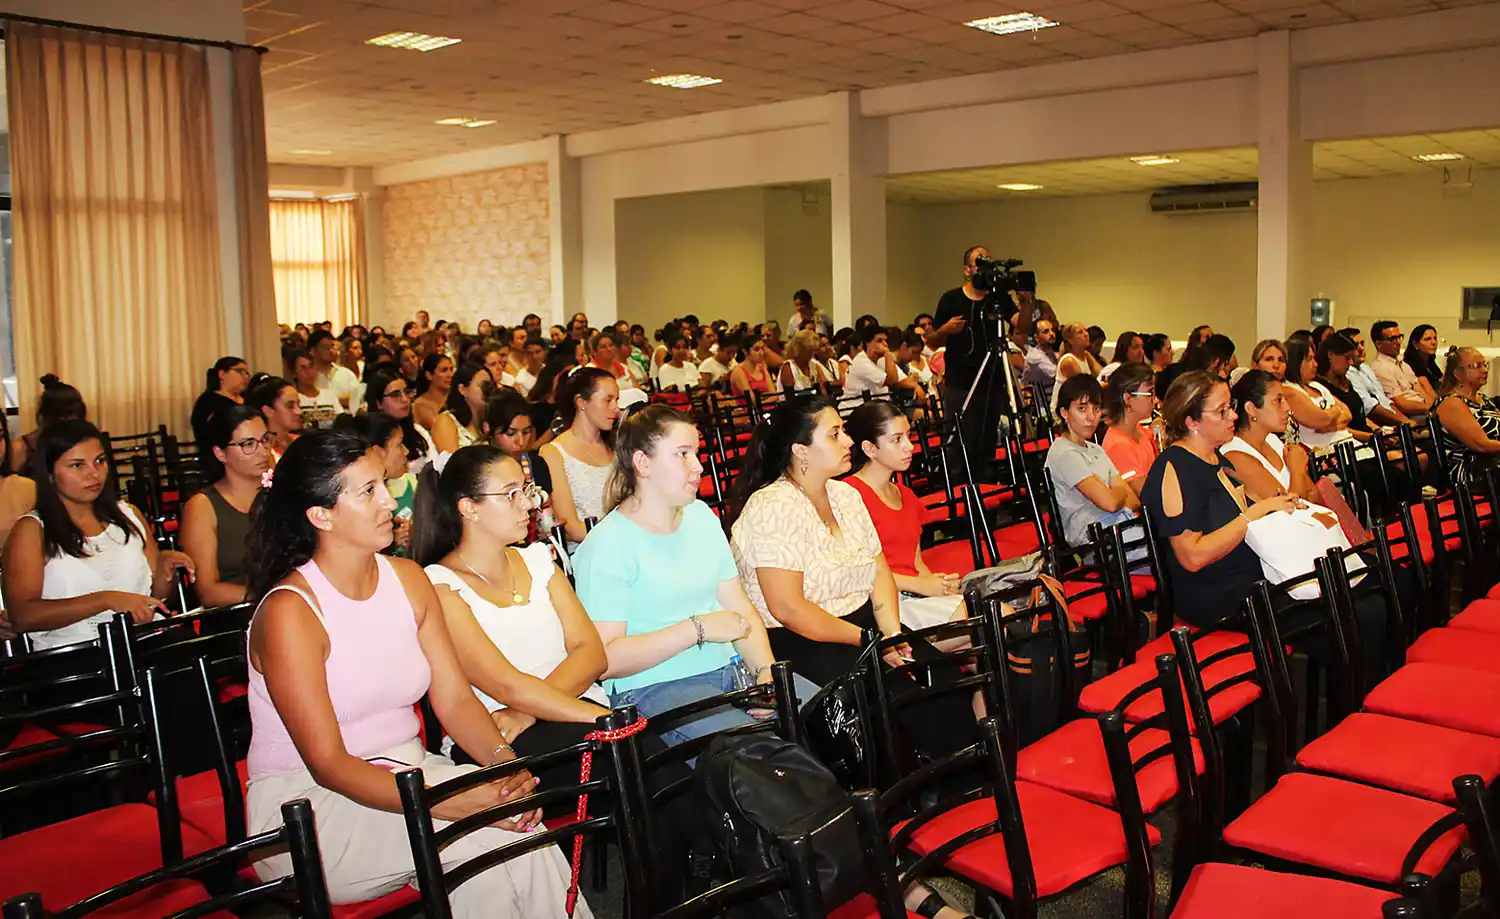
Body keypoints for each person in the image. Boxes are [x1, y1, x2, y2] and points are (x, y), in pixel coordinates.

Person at [242, 430, 584, 918]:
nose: (389, 501)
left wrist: (505, 770)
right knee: (483, 837)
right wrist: (447, 803)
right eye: (368, 492)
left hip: (411, 772)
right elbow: (328, 763)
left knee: (518, 827)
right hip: (311, 810)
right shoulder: (290, 614)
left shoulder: (408, 579)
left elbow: (456, 701)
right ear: (321, 517)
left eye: (383, 483)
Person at [724, 394, 978, 817]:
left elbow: (877, 571)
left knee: (934, 674)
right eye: (835, 433)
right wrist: (870, 641)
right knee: (875, 702)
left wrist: (893, 632)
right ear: (801, 451)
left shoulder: (845, 496)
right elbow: (788, 607)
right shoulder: (771, 507)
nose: (847, 441)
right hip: (801, 641)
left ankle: (954, 798)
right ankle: (894, 817)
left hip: (862, 627)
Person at [574, 405, 815, 741]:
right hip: (654, 686)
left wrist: (764, 674)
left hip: (731, 671)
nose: (698, 466)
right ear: (643, 463)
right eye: (682, 454)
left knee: (830, 713)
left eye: (696, 453)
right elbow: (605, 659)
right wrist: (696, 629)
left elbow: (740, 609)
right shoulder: (606, 545)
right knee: (753, 751)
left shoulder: (700, 516)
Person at [2, 421, 194, 650]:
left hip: (143, 641)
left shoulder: (128, 515)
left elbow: (156, 598)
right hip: (74, 656)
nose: (94, 474)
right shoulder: (33, 530)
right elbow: (23, 616)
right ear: (50, 473)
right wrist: (105, 600)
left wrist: (165, 572)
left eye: (100, 461)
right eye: (77, 465)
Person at [1139, 372, 1300, 628]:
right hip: (1218, 597)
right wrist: (1253, 515)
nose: (1233, 416)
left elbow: (1252, 509)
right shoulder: (1173, 468)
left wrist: (1280, 507)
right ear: (1192, 421)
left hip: (1251, 580)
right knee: (1347, 610)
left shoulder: (1218, 459)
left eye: (1230, 408)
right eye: (1221, 411)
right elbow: (1192, 557)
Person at [846, 401, 970, 630]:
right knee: (990, 617)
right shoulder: (849, 495)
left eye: (908, 436)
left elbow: (916, 562)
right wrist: (922, 586)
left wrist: (937, 586)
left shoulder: (905, 494)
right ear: (870, 449)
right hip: (881, 605)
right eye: (896, 440)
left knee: (984, 613)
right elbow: (859, 572)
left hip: (912, 596)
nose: (909, 446)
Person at [927, 246, 1015, 484]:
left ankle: (984, 494)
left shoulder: (997, 298)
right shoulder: (951, 298)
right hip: (961, 383)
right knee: (960, 441)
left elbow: (1021, 326)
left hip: (992, 382)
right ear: (967, 270)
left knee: (987, 441)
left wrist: (1026, 302)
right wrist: (945, 330)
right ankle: (959, 493)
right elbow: (932, 341)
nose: (984, 269)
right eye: (979, 263)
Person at [180, 405, 269, 606]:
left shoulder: (280, 493)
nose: (262, 451)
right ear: (220, 453)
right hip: (235, 614)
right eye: (248, 444)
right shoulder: (203, 506)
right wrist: (274, 597)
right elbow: (208, 591)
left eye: (265, 439)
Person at [1045, 375, 1139, 548]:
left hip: (1117, 526)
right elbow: (1110, 504)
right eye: (1081, 409)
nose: (1091, 417)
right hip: (1092, 539)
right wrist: (1116, 491)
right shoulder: (1064, 452)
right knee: (1169, 552)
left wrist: (1113, 493)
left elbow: (1133, 499)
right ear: (1064, 412)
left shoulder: (1096, 449)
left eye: (1096, 409)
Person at [540, 368, 618, 549]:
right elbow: (571, 528)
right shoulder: (554, 453)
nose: (615, 408)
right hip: (586, 550)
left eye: (616, 400)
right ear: (581, 402)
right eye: (608, 400)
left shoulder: (615, 445)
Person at [1223, 370, 1318, 503]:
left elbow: (1314, 495)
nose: (1287, 407)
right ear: (1251, 408)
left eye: (1285, 400)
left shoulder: (1272, 439)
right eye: (1278, 401)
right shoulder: (1234, 456)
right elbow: (1290, 509)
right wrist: (1297, 469)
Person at [1431, 347, 1500, 487]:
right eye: (1476, 366)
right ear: (1458, 374)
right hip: (1472, 470)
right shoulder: (1452, 403)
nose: (1485, 370)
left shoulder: (1483, 400)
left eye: (1484, 364)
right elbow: (1482, 445)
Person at [1282, 337, 1354, 450]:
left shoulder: (1316, 385)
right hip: (1326, 452)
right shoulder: (1289, 389)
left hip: (1346, 442)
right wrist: (1335, 410)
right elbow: (1320, 421)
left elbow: (1348, 414)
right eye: (1309, 359)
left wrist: (1331, 422)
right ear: (1296, 362)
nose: (1315, 364)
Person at [1100, 362, 1159, 495]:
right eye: (1150, 393)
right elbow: (1146, 495)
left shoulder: (1142, 432)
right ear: (1127, 399)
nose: (1155, 400)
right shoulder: (1118, 446)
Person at [12, 376, 87, 477]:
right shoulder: (22, 448)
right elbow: (8, 486)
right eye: (61, 420)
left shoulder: (86, 443)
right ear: (43, 417)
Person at [363, 367, 433, 472]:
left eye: (407, 392)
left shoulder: (419, 431)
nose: (405, 399)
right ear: (378, 403)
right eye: (395, 394)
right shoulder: (367, 440)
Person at [1341, 327, 1410, 427]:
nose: (1361, 348)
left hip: (1394, 419)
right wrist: (1405, 423)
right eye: (1355, 345)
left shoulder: (1365, 368)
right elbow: (1371, 408)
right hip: (1379, 424)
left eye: (1362, 343)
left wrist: (1405, 421)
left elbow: (1385, 401)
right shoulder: (1348, 373)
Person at [1369, 321, 1434, 415]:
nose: (1398, 342)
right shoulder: (1380, 368)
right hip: (1412, 415)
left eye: (1399, 337)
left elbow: (1420, 390)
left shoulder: (1403, 365)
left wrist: (1436, 407)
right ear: (1379, 344)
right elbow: (1402, 405)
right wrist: (1432, 408)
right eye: (1393, 339)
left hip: (1425, 410)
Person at [191, 356, 251, 448]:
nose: (245, 376)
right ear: (222, 374)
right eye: (240, 371)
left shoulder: (247, 399)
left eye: (247, 373)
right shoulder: (208, 401)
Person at [432, 365, 492, 454]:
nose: (488, 390)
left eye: (490, 385)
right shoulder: (447, 420)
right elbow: (449, 461)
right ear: (462, 389)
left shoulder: (490, 419)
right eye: (483, 385)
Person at [246, 374, 304, 462]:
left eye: (298, 404)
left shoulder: (302, 442)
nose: (299, 411)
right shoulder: (261, 451)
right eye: (290, 406)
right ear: (268, 411)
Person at [1051, 321, 1104, 414]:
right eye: (1080, 332)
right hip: (1063, 411)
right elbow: (1084, 387)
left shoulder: (1086, 355)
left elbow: (1102, 373)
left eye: (1085, 331)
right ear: (1070, 340)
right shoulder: (1069, 361)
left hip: (1082, 405)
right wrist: (1104, 384)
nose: (1086, 334)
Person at [289, 348, 344, 430]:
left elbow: (342, 421)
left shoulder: (329, 394)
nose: (308, 372)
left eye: (311, 366)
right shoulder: (293, 399)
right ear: (294, 373)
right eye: (303, 368)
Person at [309, 330, 358, 411]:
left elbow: (358, 398)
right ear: (313, 351)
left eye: (332, 347)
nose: (331, 351)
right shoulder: (308, 377)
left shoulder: (345, 373)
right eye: (325, 348)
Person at [1021, 318, 1060, 408]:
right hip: (1040, 406)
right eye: (1045, 331)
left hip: (1052, 400)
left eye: (1052, 330)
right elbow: (1057, 374)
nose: (1051, 334)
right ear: (1036, 337)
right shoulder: (1034, 357)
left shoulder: (1051, 353)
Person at [412, 353, 455, 432]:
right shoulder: (420, 405)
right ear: (429, 375)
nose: (450, 374)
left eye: (451, 369)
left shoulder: (457, 396)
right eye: (444, 370)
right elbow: (442, 430)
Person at [1404, 324, 1443, 393]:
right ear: (1415, 344)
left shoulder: (1430, 363)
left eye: (1435, 338)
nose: (1433, 342)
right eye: (1427, 339)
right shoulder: (1410, 366)